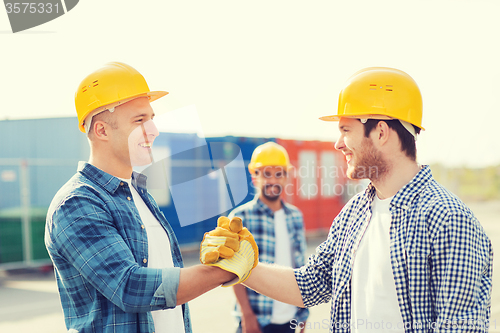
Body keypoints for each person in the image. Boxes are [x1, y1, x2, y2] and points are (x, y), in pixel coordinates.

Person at [206, 67, 493, 331]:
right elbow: (309, 284)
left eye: (346, 130)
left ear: (381, 132)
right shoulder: (354, 213)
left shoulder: (448, 221)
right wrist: (245, 265)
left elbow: (458, 327)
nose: (338, 143)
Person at [45, 62, 256, 333]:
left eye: (152, 118)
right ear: (102, 130)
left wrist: (209, 263)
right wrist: (226, 270)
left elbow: (164, 282)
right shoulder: (77, 204)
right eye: (139, 120)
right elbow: (131, 287)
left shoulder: (139, 194)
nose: (154, 130)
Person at [229, 142, 309, 333]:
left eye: (279, 174)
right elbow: (234, 271)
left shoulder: (295, 216)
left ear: (287, 176)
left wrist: (303, 313)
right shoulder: (241, 218)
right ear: (254, 176)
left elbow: (300, 266)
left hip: (290, 319)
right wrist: (247, 315)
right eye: (266, 174)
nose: (273, 180)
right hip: (256, 320)